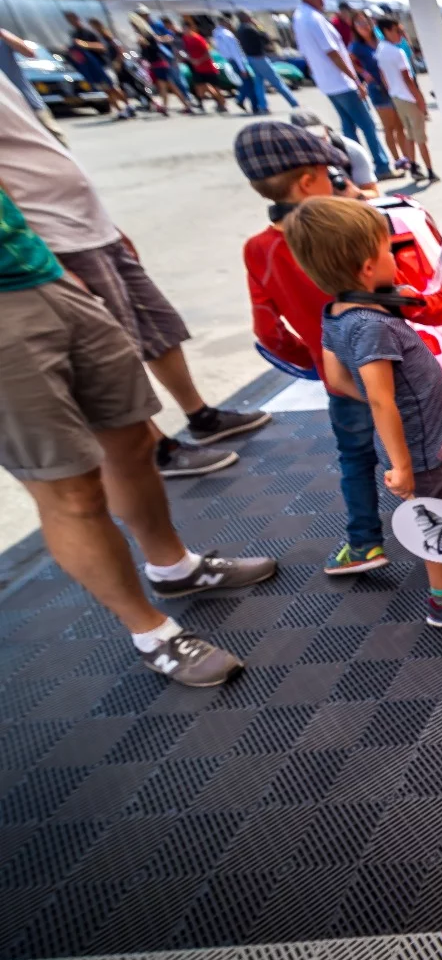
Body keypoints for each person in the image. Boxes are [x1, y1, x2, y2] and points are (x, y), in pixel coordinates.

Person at [0, 189, 276, 684]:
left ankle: (175, 568)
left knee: (132, 445)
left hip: (40, 273)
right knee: (70, 488)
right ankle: (151, 633)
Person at [0, 77, 271, 478]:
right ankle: (156, 447)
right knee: (114, 353)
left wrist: (102, 220)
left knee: (158, 326)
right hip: (50, 240)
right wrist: (38, 251)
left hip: (88, 226)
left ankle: (201, 416)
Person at [236, 119, 442, 575]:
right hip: (395, 386)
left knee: (356, 458)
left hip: (341, 382)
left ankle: (364, 543)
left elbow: (268, 332)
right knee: (422, 472)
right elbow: (413, 304)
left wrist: (316, 363)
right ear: (309, 181)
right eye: (329, 174)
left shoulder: (259, 248)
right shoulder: (351, 241)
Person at [282, 196, 442, 628]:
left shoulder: (339, 310)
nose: (393, 256)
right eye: (388, 250)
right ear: (368, 267)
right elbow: (381, 396)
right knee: (436, 516)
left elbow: (337, 378)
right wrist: (402, 463)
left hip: (426, 439)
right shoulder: (371, 326)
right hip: (418, 449)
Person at [293, 0, 392, 178]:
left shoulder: (299, 17)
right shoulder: (313, 18)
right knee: (368, 125)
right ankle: (382, 166)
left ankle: (355, 168)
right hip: (341, 83)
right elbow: (332, 52)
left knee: (348, 128)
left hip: (328, 83)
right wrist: (355, 80)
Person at [376, 18, 435, 182]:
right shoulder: (397, 52)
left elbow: (383, 76)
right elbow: (408, 79)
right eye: (397, 31)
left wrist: (392, 91)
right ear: (387, 31)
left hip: (396, 97)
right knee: (421, 137)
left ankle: (414, 167)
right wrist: (420, 100)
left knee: (409, 135)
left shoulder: (381, 49)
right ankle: (430, 171)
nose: (400, 35)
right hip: (408, 98)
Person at [348, 17, 404, 173]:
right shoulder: (357, 46)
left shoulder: (380, 40)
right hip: (377, 88)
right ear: (355, 27)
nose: (363, 26)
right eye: (359, 23)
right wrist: (363, 73)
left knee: (400, 125)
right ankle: (397, 160)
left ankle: (407, 158)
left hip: (393, 86)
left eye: (365, 22)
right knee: (389, 127)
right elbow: (349, 61)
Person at [290, 109, 379, 196]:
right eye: (309, 141)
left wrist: (358, 194)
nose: (317, 144)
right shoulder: (292, 158)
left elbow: (373, 193)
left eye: (320, 137)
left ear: (326, 130)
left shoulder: (351, 150)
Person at [63, 12, 133, 120]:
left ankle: (128, 106)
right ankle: (120, 111)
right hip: (90, 68)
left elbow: (102, 47)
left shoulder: (89, 32)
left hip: (103, 64)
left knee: (113, 87)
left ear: (77, 18)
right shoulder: (74, 34)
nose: (71, 22)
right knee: (106, 90)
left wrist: (85, 44)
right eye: (69, 20)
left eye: (72, 19)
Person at [239, 12, 300, 112]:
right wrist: (258, 26)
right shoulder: (251, 29)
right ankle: (294, 103)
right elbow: (265, 38)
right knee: (277, 81)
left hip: (250, 58)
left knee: (259, 83)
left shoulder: (240, 29)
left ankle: (263, 106)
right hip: (259, 58)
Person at [180, 18, 230, 114]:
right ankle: (202, 103)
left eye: (186, 29)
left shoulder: (198, 39)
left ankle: (222, 104)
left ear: (190, 29)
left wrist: (199, 60)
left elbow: (208, 52)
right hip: (197, 68)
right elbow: (187, 52)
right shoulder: (185, 39)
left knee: (216, 87)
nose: (184, 31)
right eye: (183, 29)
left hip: (208, 67)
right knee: (199, 87)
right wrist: (191, 60)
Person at [208, 17, 254, 113]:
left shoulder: (216, 34)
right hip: (235, 61)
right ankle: (241, 99)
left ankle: (245, 100)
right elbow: (235, 52)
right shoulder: (227, 35)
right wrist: (242, 68)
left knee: (243, 81)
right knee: (247, 81)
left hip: (227, 60)